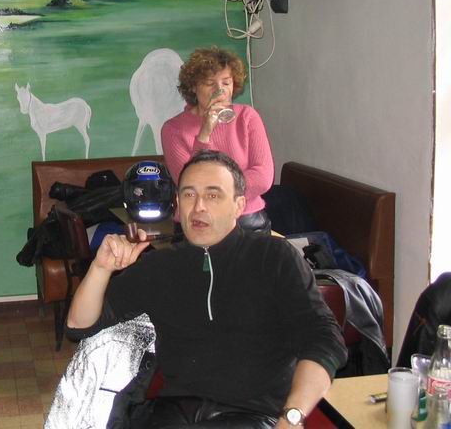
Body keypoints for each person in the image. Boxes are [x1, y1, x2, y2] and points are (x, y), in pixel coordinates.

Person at [66, 150, 347, 428]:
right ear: (178, 204)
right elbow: (79, 326)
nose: (199, 207)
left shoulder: (273, 257)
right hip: (172, 411)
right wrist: (100, 268)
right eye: (189, 195)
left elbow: (325, 339)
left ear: (238, 205)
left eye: (213, 195)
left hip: (252, 413)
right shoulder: (160, 264)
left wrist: (292, 416)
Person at [161, 46, 274, 232]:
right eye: (209, 83)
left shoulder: (247, 117)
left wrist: (215, 195)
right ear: (193, 86)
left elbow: (263, 178)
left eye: (226, 83)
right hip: (197, 224)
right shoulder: (173, 129)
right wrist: (205, 132)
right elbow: (189, 184)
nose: (220, 90)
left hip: (247, 221)